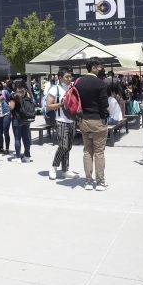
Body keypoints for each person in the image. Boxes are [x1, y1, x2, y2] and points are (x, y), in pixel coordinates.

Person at [78, 57, 110, 191]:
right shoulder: (100, 83)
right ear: (93, 67)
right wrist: (105, 116)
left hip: (84, 120)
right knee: (99, 152)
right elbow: (104, 104)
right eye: (99, 66)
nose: (101, 68)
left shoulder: (78, 82)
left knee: (87, 151)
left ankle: (88, 181)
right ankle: (100, 182)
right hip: (98, 120)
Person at [46, 69, 76, 180]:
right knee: (63, 145)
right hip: (60, 120)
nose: (69, 79)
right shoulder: (55, 89)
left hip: (72, 120)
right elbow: (49, 106)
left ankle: (65, 169)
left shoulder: (72, 88)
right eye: (67, 77)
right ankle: (53, 167)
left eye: (70, 77)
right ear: (60, 77)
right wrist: (62, 104)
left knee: (68, 146)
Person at [8, 79, 33, 163]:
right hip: (27, 117)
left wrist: (9, 104)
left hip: (17, 118)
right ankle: (27, 156)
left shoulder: (15, 94)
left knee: (17, 138)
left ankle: (18, 157)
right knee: (26, 137)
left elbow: (11, 107)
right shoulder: (28, 93)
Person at [0, 81, 12, 155]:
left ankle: (7, 148)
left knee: (6, 131)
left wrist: (10, 109)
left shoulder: (5, 91)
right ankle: (1, 147)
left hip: (6, 113)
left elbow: (10, 99)